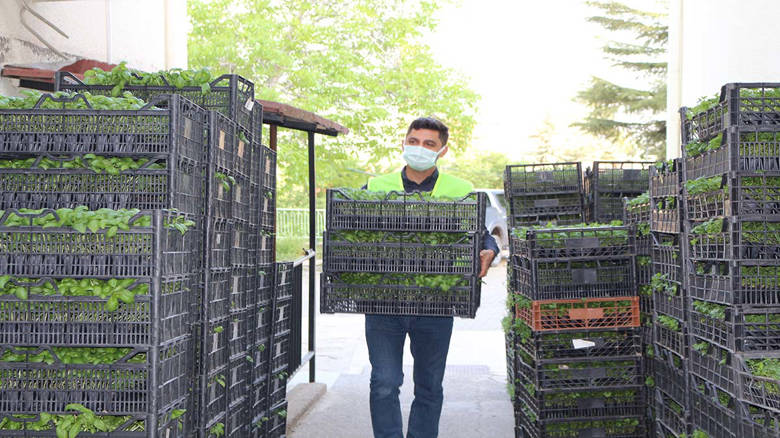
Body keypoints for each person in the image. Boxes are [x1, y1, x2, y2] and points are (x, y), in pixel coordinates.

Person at [363, 117, 498, 438]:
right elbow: (353, 231)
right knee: (384, 382)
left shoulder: (461, 190)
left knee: (429, 385)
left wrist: (488, 249)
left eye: (428, 144)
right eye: (413, 141)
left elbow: (482, 235)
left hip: (436, 305)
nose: (419, 148)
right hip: (384, 304)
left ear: (443, 150)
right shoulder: (376, 187)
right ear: (403, 143)